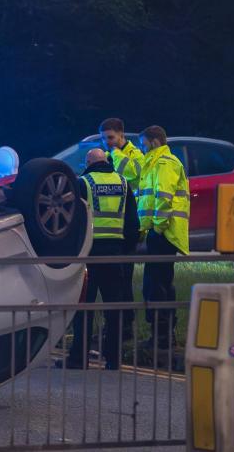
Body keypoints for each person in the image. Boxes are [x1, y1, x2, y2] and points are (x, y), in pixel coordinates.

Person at [61, 148, 139, 370]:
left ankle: (79, 358)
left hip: (88, 253)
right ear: (106, 161)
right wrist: (127, 250)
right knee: (114, 307)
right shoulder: (123, 183)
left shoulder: (83, 183)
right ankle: (114, 359)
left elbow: (73, 220)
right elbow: (133, 222)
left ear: (88, 162)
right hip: (115, 253)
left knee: (83, 306)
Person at [137, 125, 190, 349]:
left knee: (156, 284)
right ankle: (163, 335)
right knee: (160, 282)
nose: (142, 148)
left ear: (154, 142)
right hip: (160, 232)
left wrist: (157, 228)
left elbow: (163, 198)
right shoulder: (156, 163)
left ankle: (162, 336)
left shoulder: (164, 163)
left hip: (164, 233)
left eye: (144, 144)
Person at [99, 117, 142, 336]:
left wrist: (115, 153)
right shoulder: (109, 154)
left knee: (125, 277)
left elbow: (133, 175)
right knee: (117, 279)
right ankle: (118, 326)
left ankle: (126, 326)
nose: (107, 142)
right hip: (116, 225)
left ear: (121, 135)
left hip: (129, 223)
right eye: (104, 138)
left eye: (111, 137)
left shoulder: (133, 155)